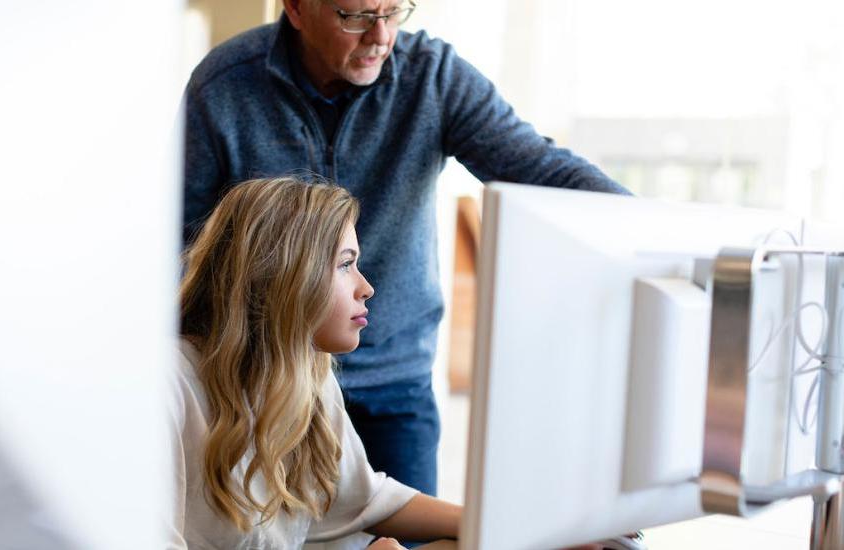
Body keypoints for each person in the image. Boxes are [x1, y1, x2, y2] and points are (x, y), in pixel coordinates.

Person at [183, 0, 632, 496]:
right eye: (354, 17)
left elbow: (543, 171)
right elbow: (184, 245)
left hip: (393, 383)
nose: (381, 36)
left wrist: (654, 233)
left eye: (394, 11)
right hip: (264, 380)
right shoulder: (224, 87)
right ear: (295, 9)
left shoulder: (433, 78)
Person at [170, 177, 461, 549]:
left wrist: (489, 523)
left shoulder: (308, 376)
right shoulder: (170, 383)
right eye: (345, 265)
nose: (366, 287)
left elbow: (364, 500)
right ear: (284, 272)